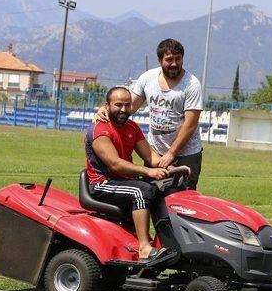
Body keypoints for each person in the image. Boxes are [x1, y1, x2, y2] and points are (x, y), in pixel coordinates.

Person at [96, 38, 204, 189]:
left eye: (178, 59)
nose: (174, 63)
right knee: (151, 193)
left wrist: (171, 154)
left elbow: (190, 125)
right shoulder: (147, 78)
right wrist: (105, 110)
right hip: (155, 152)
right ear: (160, 60)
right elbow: (130, 106)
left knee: (182, 199)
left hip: (186, 154)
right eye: (169, 59)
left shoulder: (192, 84)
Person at [85, 86, 170, 260]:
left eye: (127, 105)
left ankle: (167, 243)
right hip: (103, 184)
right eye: (118, 105)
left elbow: (150, 156)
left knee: (163, 189)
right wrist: (148, 171)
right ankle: (144, 247)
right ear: (107, 106)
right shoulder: (100, 130)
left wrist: (169, 167)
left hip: (123, 181)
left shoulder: (132, 127)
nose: (123, 109)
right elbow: (115, 165)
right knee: (141, 191)